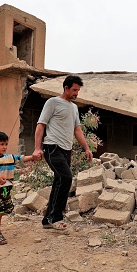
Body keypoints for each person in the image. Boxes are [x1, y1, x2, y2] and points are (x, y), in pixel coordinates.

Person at [33, 75, 93, 230]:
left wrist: (87, 148)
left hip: (67, 150)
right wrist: (37, 148)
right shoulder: (52, 102)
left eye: (78, 90)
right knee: (66, 178)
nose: (76, 93)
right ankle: (56, 217)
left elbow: (77, 130)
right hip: (52, 147)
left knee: (59, 181)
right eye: (74, 90)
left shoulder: (73, 107)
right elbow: (41, 125)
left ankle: (47, 219)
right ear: (66, 88)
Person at [0, 131, 36, 245]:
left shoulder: (9, 157)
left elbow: (21, 158)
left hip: (6, 189)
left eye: (6, 144)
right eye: (2, 144)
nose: (5, 147)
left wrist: (33, 157)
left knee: (8, 210)